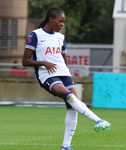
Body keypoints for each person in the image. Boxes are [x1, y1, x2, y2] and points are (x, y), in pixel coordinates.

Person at [22, 7, 111, 150]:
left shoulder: (60, 37)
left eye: (63, 22)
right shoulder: (35, 35)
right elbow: (25, 61)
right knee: (69, 96)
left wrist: (67, 69)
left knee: (73, 107)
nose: (62, 25)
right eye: (60, 21)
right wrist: (43, 63)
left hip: (63, 73)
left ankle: (66, 146)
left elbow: (63, 57)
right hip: (47, 75)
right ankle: (98, 120)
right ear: (51, 19)